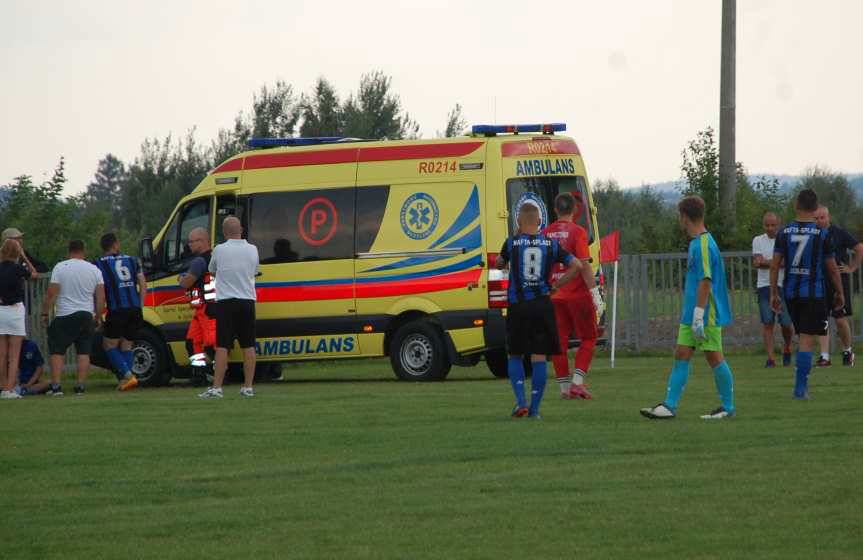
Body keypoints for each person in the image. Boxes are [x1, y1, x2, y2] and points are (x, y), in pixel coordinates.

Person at [641, 195, 736, 420]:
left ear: (685, 217)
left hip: (705, 314)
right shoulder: (697, 243)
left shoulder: (704, 245)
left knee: (715, 357)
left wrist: (699, 315)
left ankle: (728, 407)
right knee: (681, 354)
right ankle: (669, 406)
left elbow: (706, 281)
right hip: (692, 313)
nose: (679, 220)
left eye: (679, 216)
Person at [496, 203, 581, 418]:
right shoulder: (550, 244)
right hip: (542, 305)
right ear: (540, 221)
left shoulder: (512, 242)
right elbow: (577, 265)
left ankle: (521, 402)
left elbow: (499, 264)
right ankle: (534, 410)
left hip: (518, 305)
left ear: (518, 221)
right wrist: (557, 285)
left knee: (515, 354)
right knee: (539, 356)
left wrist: (506, 253)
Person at [770, 190, 844, 400]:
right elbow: (832, 268)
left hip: (791, 293)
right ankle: (800, 389)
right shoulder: (822, 234)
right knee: (806, 340)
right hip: (814, 293)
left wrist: (774, 292)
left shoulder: (783, 232)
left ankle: (801, 386)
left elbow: (774, 265)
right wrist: (840, 292)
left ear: (796, 205)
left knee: (802, 336)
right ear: (815, 208)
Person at [541, 192, 604, 400]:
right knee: (589, 337)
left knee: (559, 341)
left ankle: (564, 389)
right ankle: (577, 382)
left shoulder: (545, 233)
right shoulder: (578, 232)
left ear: (555, 209)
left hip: (554, 295)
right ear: (575, 209)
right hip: (577, 294)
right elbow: (583, 265)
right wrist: (595, 294)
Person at [198, 216, 260, 399]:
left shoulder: (219, 249)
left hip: (226, 303)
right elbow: (254, 271)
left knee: (223, 346)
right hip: (247, 301)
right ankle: (248, 387)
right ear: (241, 230)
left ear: (224, 232)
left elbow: (212, 270)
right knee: (248, 345)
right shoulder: (253, 249)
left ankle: (217, 388)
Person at [42, 240, 105, 396]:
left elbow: (51, 293)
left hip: (65, 314)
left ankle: (56, 386)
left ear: (69, 251)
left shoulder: (60, 267)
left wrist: (45, 313)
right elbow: (101, 297)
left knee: (57, 350)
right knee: (84, 351)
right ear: (84, 251)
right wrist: (97, 316)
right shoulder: (94, 270)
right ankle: (80, 386)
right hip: (86, 314)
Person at [94, 233, 144, 391]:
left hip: (117, 309)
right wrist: (140, 305)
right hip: (135, 308)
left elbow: (100, 291)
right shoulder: (133, 260)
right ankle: (126, 380)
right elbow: (143, 284)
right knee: (127, 345)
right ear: (115, 244)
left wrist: (98, 314)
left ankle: (128, 375)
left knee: (108, 344)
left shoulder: (98, 264)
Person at [814, 205, 861, 367]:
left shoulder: (839, 233)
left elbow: (859, 248)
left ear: (828, 217)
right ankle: (824, 356)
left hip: (838, 280)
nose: (819, 221)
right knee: (822, 319)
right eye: (816, 218)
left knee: (840, 319)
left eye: (822, 217)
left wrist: (852, 267)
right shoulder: (813, 234)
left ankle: (847, 351)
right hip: (819, 280)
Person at [752, 211, 794, 367]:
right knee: (768, 322)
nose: (770, 228)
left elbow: (788, 263)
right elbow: (757, 263)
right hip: (764, 285)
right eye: (767, 225)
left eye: (773, 225)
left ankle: (787, 347)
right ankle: (770, 358)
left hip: (784, 284)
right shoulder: (757, 240)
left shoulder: (786, 239)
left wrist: (767, 262)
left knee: (786, 323)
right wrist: (776, 262)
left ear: (779, 224)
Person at [0, 238, 39, 399]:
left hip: (0, 310)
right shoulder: (17, 268)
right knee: (14, 354)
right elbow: (34, 274)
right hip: (14, 311)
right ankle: (9, 389)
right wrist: (24, 257)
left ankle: (2, 386)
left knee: (2, 353)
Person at [177, 227, 216, 385]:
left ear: (202, 241)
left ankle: (218, 374)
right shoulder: (215, 258)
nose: (189, 245)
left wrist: (180, 278)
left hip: (208, 310)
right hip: (203, 310)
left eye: (192, 242)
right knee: (192, 342)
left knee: (212, 346)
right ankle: (199, 375)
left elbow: (186, 283)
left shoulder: (199, 261)